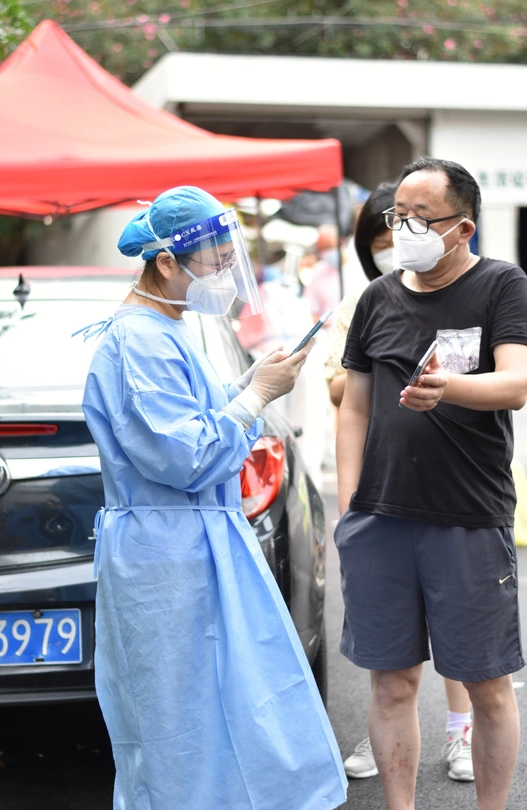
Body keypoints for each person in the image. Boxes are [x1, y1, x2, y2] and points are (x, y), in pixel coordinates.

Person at [80, 186, 347, 810]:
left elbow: (185, 420)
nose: (225, 275)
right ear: (165, 262)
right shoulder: (140, 340)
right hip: (167, 556)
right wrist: (256, 399)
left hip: (189, 546)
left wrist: (245, 385)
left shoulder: (164, 328)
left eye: (230, 260)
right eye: (216, 261)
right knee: (179, 723)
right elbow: (186, 457)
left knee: (221, 708)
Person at [335, 157, 527, 810]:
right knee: (391, 685)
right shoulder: (376, 298)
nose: (403, 229)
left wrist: (450, 388)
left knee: (487, 687)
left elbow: (516, 383)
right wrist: (349, 506)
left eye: (421, 216)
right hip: (380, 519)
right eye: (398, 215)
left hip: (468, 516)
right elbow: (354, 405)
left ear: (462, 227)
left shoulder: (501, 284)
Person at [327, 181, 476, 783]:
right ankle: (381, 733)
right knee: (389, 648)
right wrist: (348, 505)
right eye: (385, 234)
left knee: (463, 639)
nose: (396, 242)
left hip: (453, 489)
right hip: (379, 486)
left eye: (416, 224)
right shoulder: (362, 303)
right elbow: (341, 390)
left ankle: (461, 731)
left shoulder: (475, 291)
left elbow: (503, 381)